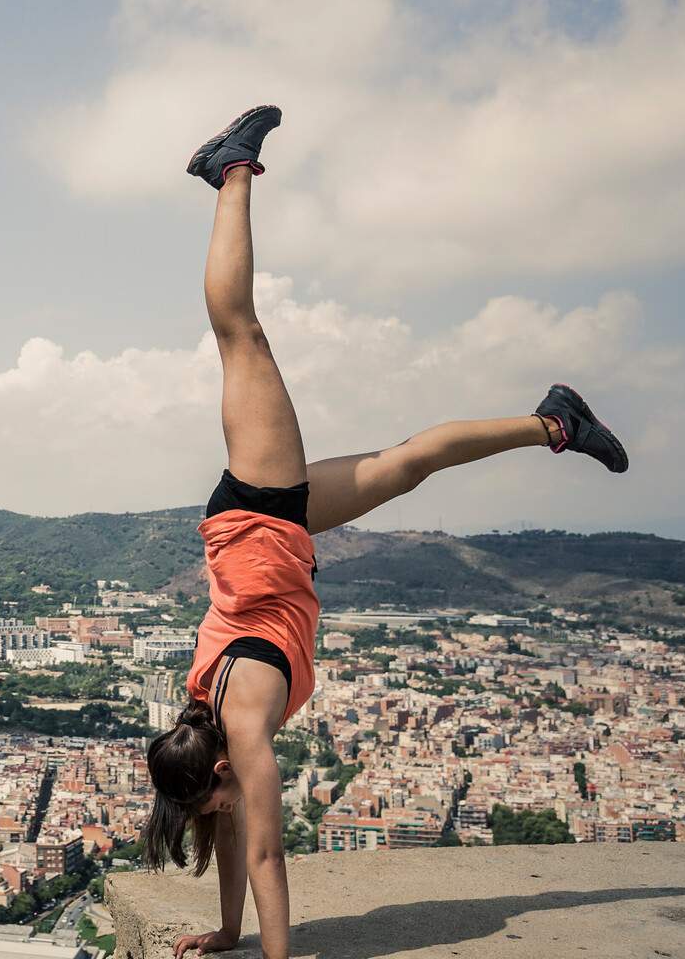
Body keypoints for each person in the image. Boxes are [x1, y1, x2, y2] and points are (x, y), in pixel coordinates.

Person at [147, 105, 628, 959]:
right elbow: (230, 835)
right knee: (410, 464)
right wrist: (226, 931)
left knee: (240, 333)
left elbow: (262, 847)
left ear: (217, 771)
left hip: (261, 511)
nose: (212, 817)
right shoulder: (209, 723)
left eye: (206, 802)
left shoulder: (245, 732)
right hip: (272, 526)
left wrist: (278, 955)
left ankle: (229, 171)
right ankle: (555, 423)